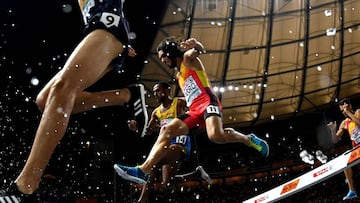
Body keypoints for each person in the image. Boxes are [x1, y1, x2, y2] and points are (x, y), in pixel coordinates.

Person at [0, 0, 148, 201]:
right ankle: (125, 96)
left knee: (62, 90)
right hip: (99, 29)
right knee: (45, 101)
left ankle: (25, 186)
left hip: (108, 26)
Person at [114, 37, 269, 185]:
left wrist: (196, 45)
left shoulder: (188, 60)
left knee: (216, 136)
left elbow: (198, 50)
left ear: (170, 52)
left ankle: (248, 139)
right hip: (194, 109)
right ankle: (143, 170)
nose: (162, 61)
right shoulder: (178, 75)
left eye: (163, 57)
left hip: (208, 102)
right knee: (166, 130)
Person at [115, 81, 211, 203]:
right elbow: (149, 130)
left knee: (153, 165)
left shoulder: (179, 102)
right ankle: (196, 174)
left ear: (167, 91)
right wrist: (137, 126)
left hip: (180, 144)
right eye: (154, 91)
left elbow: (197, 108)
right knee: (167, 183)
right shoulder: (156, 112)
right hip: (165, 146)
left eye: (159, 90)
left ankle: (142, 200)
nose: (156, 93)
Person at [329, 98, 360, 200]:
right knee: (344, 161)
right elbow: (335, 140)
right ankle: (352, 190)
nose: (344, 112)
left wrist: (348, 112)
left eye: (344, 109)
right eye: (342, 111)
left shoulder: (358, 112)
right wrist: (333, 130)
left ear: (349, 106)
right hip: (357, 150)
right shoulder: (344, 123)